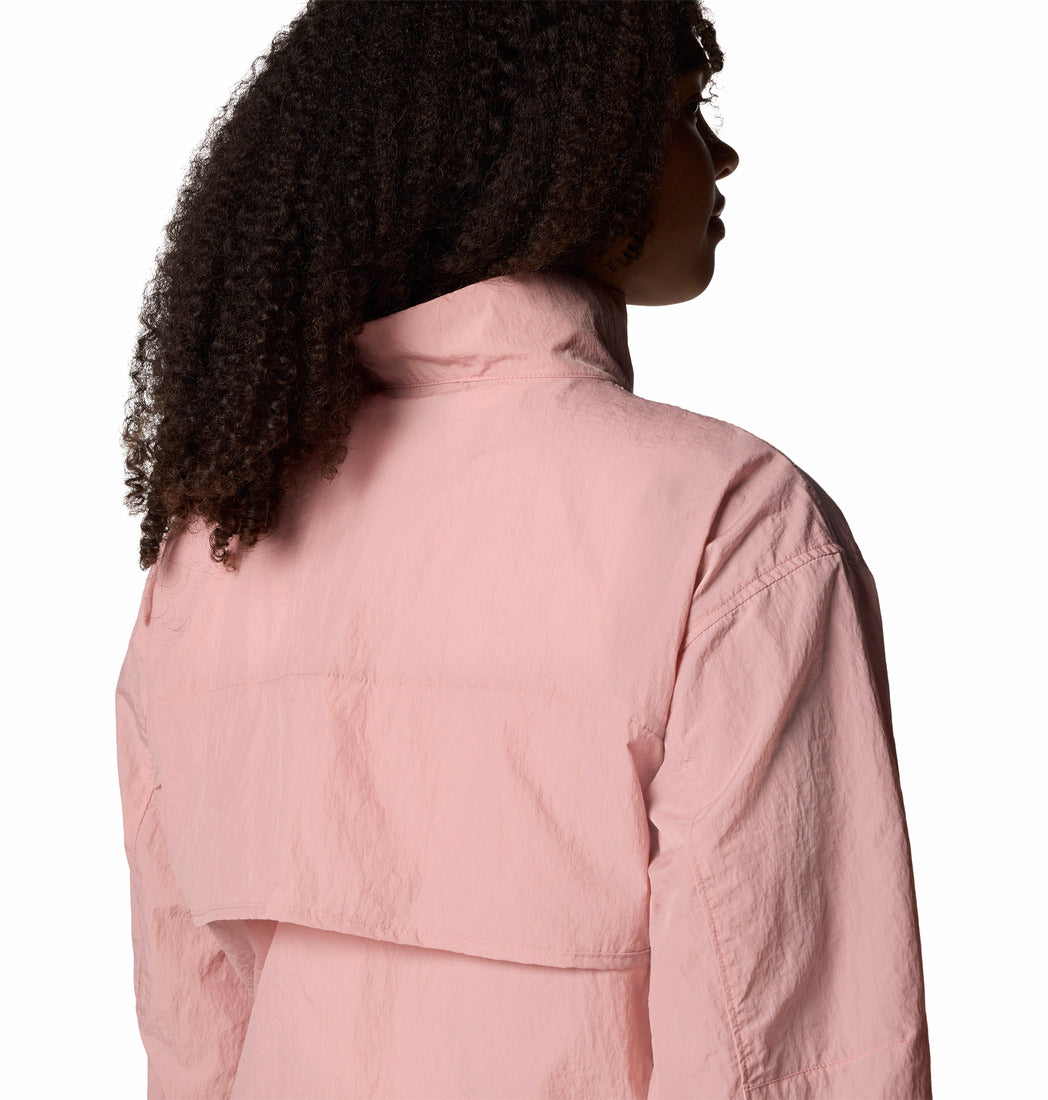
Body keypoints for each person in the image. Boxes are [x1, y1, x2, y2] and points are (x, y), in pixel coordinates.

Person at [114, 2, 932, 1097]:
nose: (722, 154)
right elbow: (784, 1065)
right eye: (685, 114)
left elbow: (196, 1045)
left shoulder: (215, 545)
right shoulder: (728, 524)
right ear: (574, 147)